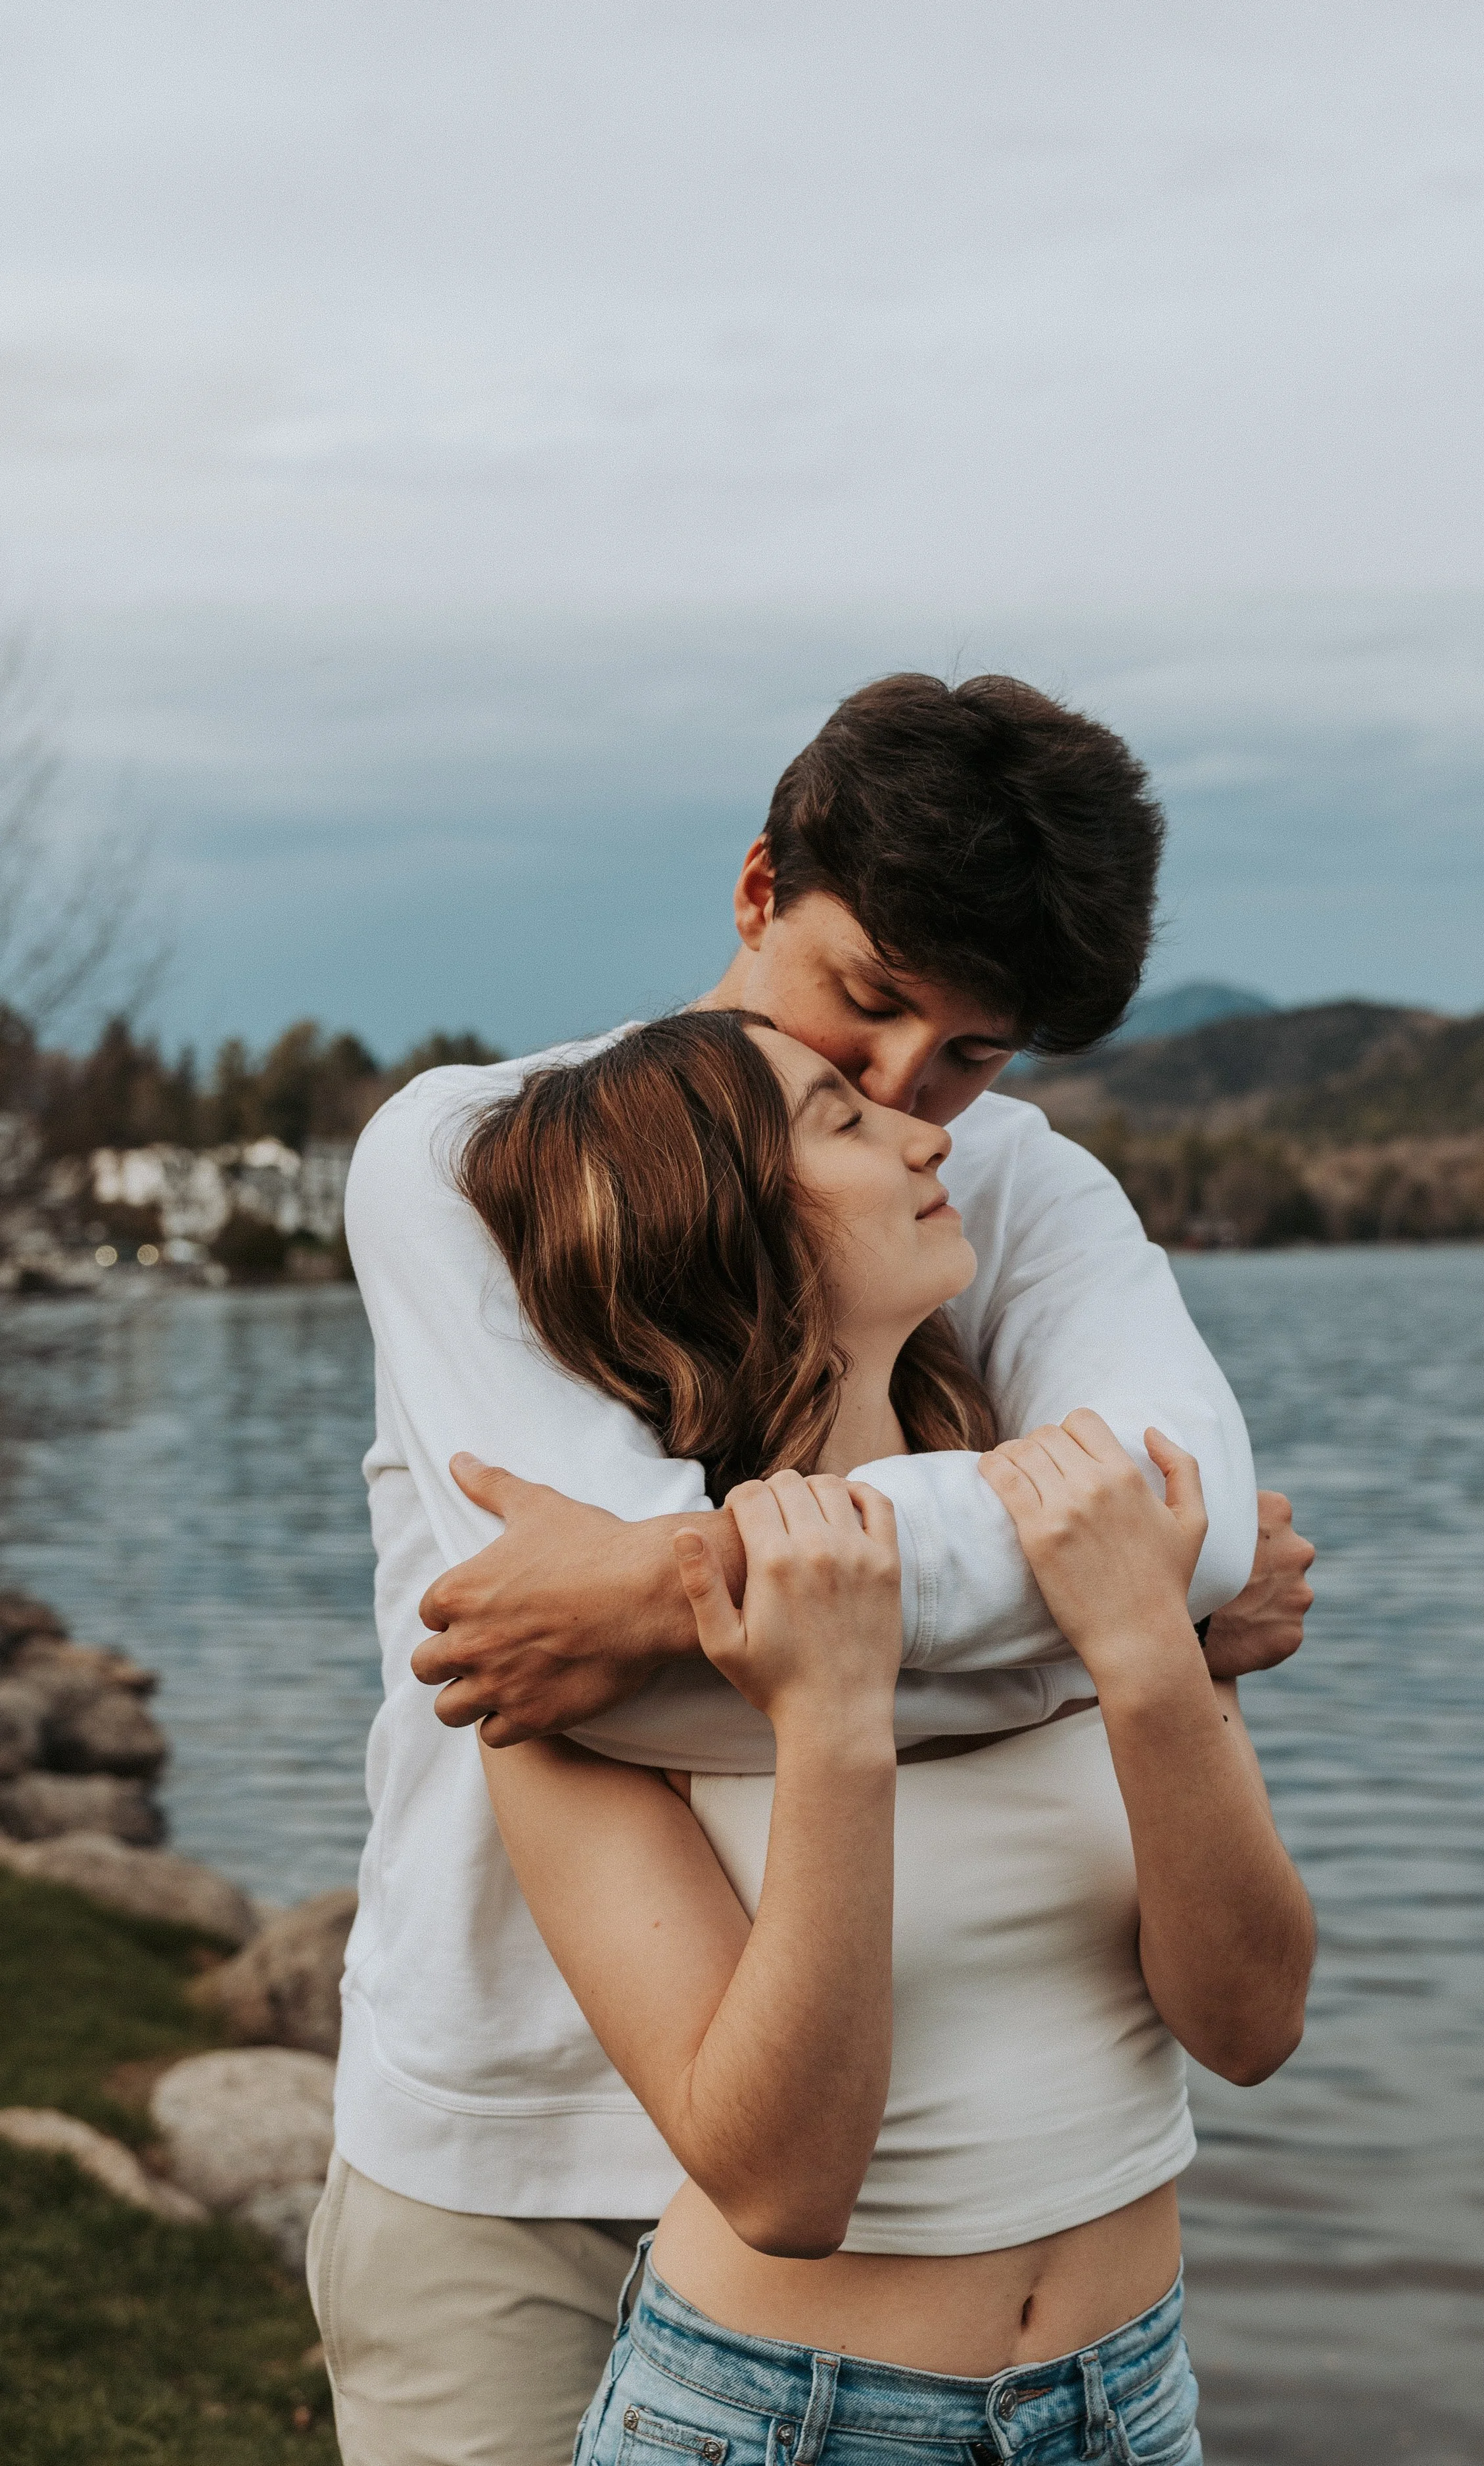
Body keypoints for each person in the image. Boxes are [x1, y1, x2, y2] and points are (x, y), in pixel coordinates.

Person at [310, 673, 1316, 2466]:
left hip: (931, 2179)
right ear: (760, 887)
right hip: (516, 2141)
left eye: (971, 1052)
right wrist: (1113, 1611)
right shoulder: (491, 1154)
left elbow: (1196, 1517)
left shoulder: (991, 1184)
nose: (905, 1090)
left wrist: (667, 1575)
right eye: (864, 1004)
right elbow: (600, 1691)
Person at [463, 1007, 1314, 2466]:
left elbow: (1248, 2027)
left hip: (1131, 2396)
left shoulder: (1062, 1545)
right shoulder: (579, 1682)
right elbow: (783, 2188)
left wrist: (1143, 1658)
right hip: (778, 2421)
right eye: (843, 1124)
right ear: (721, 1224)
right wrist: (831, 1721)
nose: (931, 1135)